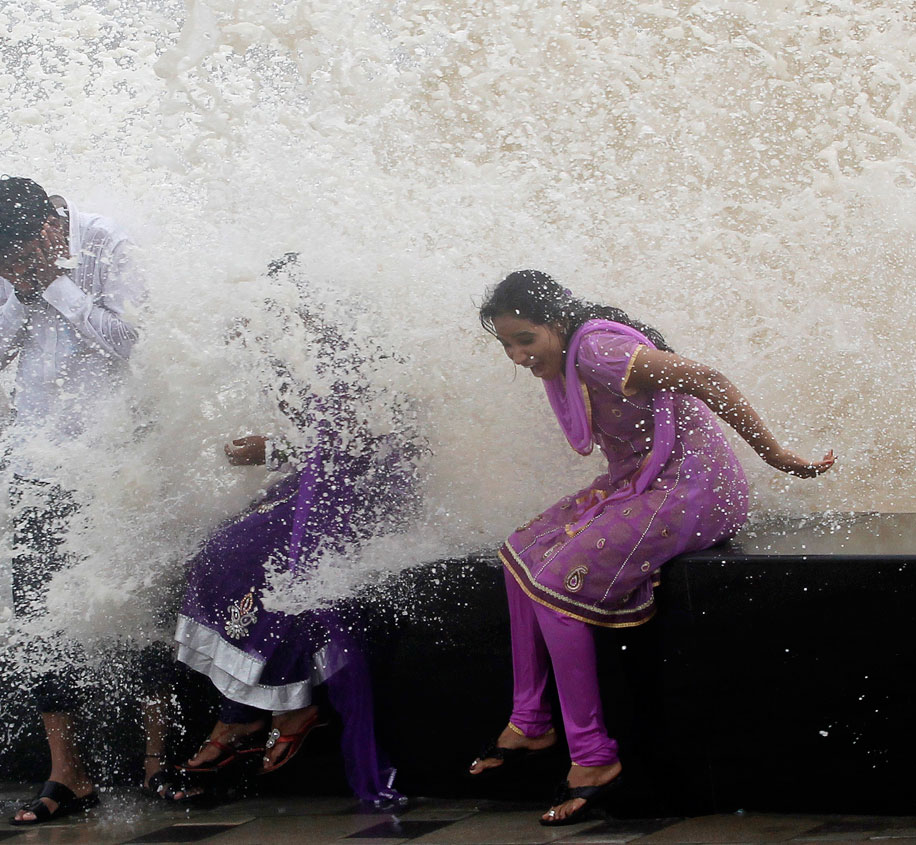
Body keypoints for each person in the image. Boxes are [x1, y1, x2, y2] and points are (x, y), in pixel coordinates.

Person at [468, 270, 835, 825]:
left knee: (552, 584)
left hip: (693, 489)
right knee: (521, 551)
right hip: (646, 480)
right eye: (506, 344)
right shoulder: (572, 356)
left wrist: (777, 455)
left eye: (526, 339)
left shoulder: (597, 352)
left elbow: (706, 378)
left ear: (558, 324)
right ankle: (529, 721)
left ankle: (592, 758)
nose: (517, 356)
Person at [167, 256, 421, 807]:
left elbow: (366, 442)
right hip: (319, 479)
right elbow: (317, 440)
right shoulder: (288, 354)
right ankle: (245, 714)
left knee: (248, 555)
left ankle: (285, 707)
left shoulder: (345, 352)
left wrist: (272, 452)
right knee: (216, 551)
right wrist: (273, 451)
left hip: (366, 494)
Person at [0, 176, 145, 825]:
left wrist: (58, 287)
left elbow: (129, 339)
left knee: (133, 601)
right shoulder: (11, 268)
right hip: (39, 457)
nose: (11, 269)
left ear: (48, 228)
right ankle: (69, 772)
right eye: (1, 264)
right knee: (38, 613)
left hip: (113, 454)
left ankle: (157, 758)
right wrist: (19, 293)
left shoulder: (106, 241)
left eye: (18, 258)